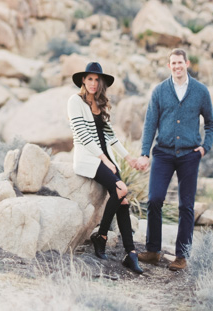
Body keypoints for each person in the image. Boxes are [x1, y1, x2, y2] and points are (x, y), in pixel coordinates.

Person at [135, 49, 213, 271]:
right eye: (173, 63)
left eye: (180, 62)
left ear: (187, 63)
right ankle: (153, 251)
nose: (177, 66)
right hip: (163, 153)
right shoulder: (160, 91)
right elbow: (150, 124)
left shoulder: (200, 91)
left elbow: (211, 123)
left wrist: (204, 148)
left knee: (186, 206)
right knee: (154, 199)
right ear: (169, 65)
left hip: (189, 156)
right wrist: (145, 152)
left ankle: (181, 256)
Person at [68, 61, 143, 274]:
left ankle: (131, 254)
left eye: (96, 79)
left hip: (106, 158)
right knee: (121, 189)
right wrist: (104, 159)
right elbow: (82, 134)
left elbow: (111, 137)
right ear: (83, 80)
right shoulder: (75, 101)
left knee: (123, 200)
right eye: (90, 78)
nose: (93, 83)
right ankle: (101, 236)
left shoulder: (99, 104)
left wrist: (128, 159)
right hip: (89, 158)